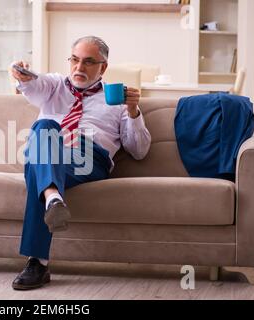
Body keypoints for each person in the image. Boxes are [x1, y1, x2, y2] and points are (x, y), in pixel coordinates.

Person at [10, 36, 152, 290]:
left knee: (36, 164)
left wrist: (133, 112)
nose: (79, 68)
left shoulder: (117, 99)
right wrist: (22, 75)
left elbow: (139, 151)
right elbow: (34, 84)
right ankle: (53, 198)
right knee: (44, 128)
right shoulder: (55, 85)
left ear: (103, 67)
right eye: (75, 60)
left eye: (88, 62)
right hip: (52, 151)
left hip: (89, 158)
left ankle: (37, 263)